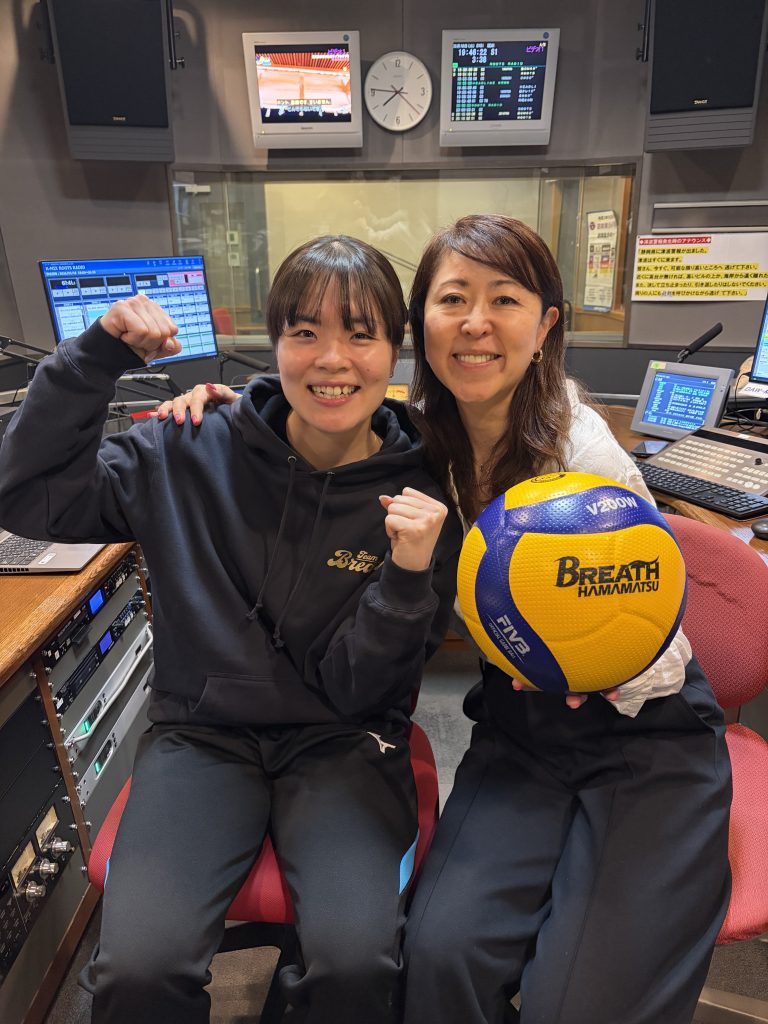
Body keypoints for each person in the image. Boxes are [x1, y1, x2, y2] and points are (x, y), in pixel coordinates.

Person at [176, 216, 732, 1024]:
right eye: (453, 299)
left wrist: (597, 665)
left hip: (643, 732)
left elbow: (659, 648)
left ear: (545, 325)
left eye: (504, 300)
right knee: (436, 961)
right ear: (420, 327)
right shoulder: (417, 442)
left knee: (576, 1005)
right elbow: (312, 411)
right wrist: (223, 410)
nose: (475, 322)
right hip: (521, 735)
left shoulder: (581, 461)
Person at [0, 235, 462, 1024]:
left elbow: (366, 687)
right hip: (201, 736)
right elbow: (27, 499)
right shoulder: (185, 446)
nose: (332, 359)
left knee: (356, 965)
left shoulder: (423, 493)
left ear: (396, 350)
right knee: (137, 971)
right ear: (273, 344)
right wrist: (96, 358)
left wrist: (407, 576)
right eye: (305, 332)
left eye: (360, 334)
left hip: (345, 742)